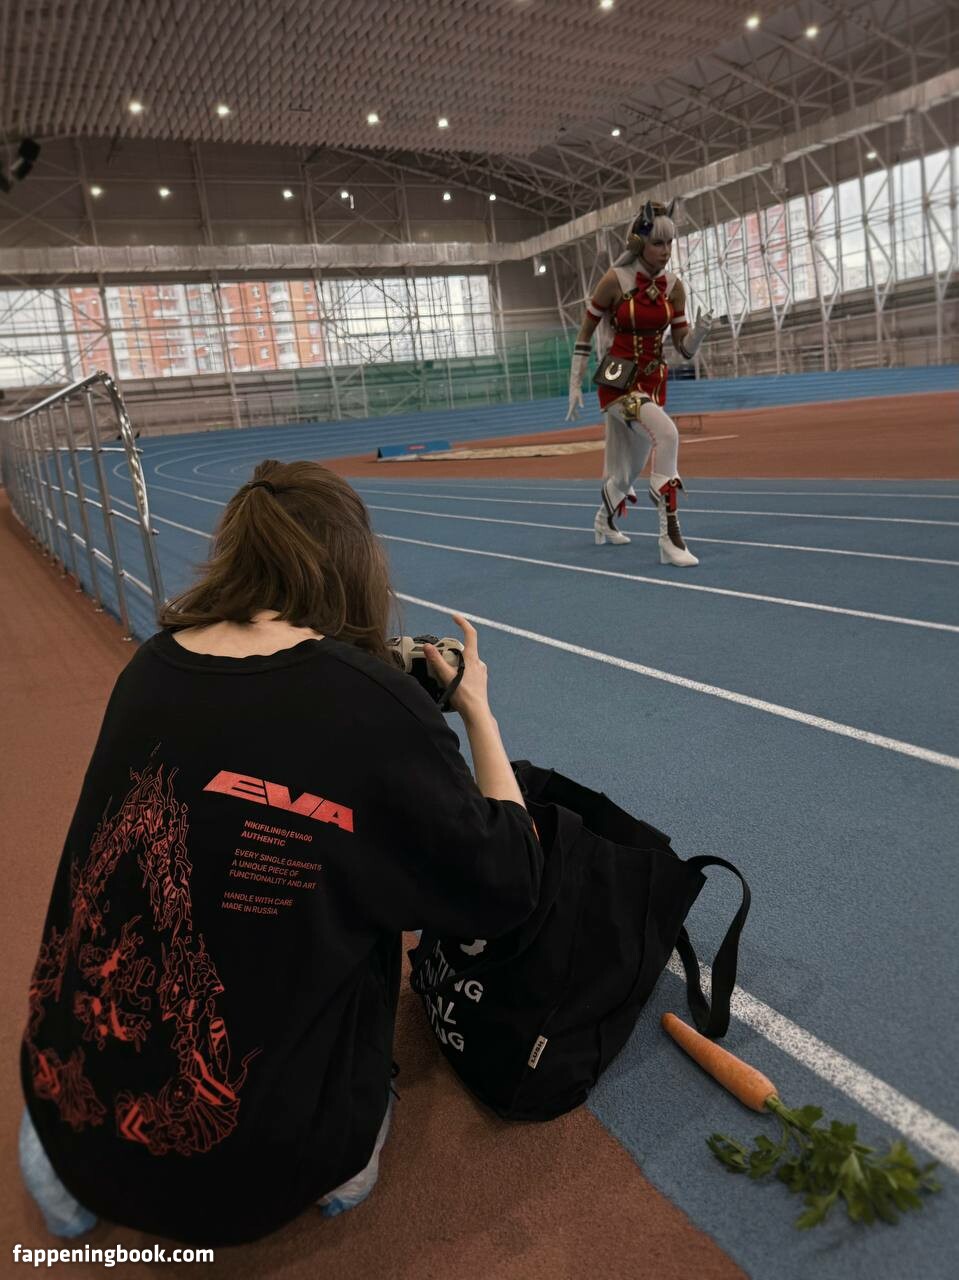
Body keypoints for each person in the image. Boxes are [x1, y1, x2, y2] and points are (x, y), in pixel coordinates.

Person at [19, 459, 542, 1246]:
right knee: (365, 885)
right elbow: (509, 882)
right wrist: (476, 713)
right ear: (352, 563)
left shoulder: (148, 666)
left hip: (71, 1120)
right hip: (261, 1168)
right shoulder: (373, 702)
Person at [566, 200, 713, 565]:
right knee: (668, 435)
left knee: (627, 471)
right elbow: (585, 333)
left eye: (670, 243)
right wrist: (574, 384)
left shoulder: (674, 288)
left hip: (652, 384)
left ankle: (603, 520)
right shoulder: (614, 281)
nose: (665, 251)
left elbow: (683, 348)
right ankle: (670, 539)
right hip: (617, 383)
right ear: (637, 243)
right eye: (657, 243)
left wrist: (699, 332)